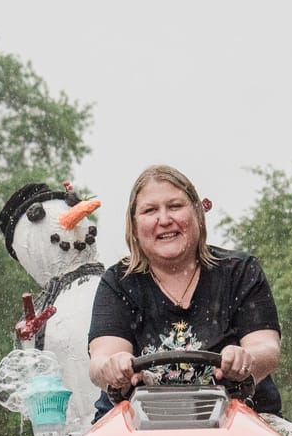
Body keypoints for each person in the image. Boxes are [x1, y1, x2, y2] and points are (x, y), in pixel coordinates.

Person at [88, 164, 281, 415]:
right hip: (136, 427)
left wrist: (246, 357)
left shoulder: (241, 271)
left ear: (198, 215)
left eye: (175, 206)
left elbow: (267, 348)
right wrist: (112, 367)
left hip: (240, 420)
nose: (165, 220)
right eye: (150, 210)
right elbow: (100, 360)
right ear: (134, 227)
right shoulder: (117, 282)